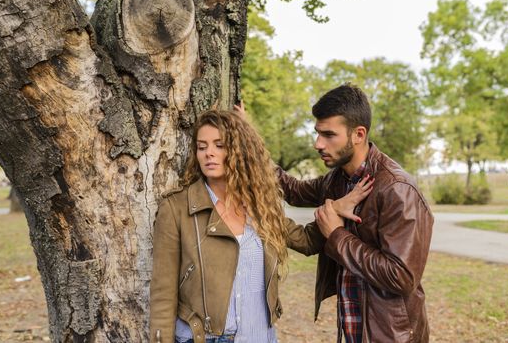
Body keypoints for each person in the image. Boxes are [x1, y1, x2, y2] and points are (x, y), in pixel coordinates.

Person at [149, 109, 372, 343]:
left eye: (219, 145)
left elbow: (307, 241)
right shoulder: (176, 208)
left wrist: (335, 209)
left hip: (260, 337)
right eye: (202, 147)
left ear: (238, 151)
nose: (209, 154)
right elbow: (163, 293)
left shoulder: (260, 207)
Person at [277, 83, 434, 343]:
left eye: (329, 135)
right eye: (317, 133)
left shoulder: (397, 189)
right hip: (354, 331)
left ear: (358, 134)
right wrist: (248, 141)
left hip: (391, 337)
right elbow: (292, 190)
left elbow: (402, 277)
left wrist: (336, 235)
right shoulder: (336, 181)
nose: (318, 143)